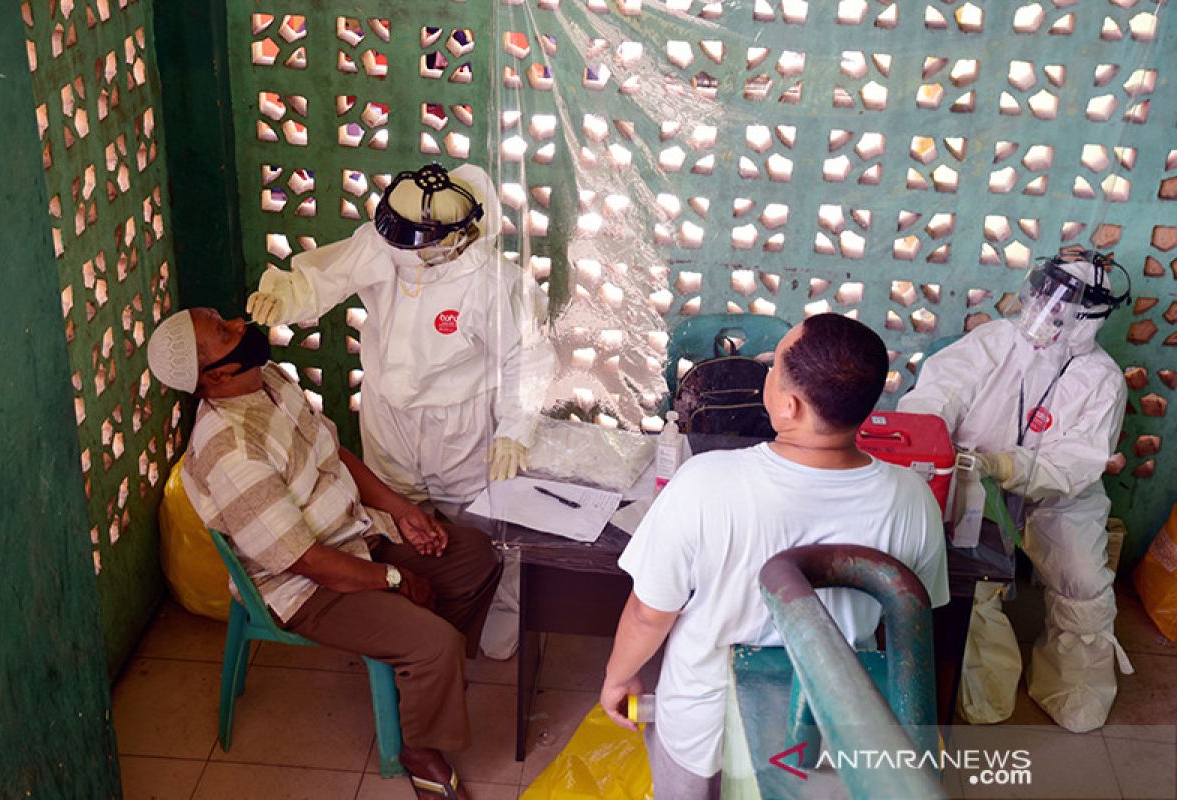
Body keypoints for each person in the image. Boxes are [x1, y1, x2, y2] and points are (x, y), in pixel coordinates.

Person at [147, 307, 502, 800]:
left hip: (355, 532)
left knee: (478, 556)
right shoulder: (230, 450)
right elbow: (305, 561)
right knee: (434, 643)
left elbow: (334, 455)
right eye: (225, 332)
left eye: (224, 319)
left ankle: (423, 685)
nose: (239, 324)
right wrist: (395, 581)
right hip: (307, 587)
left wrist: (401, 511)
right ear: (216, 375)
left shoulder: (265, 378)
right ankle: (419, 750)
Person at [600, 313, 949, 798]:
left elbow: (648, 613)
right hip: (830, 727)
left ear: (788, 406)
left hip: (704, 729)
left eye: (772, 368)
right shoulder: (912, 498)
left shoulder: (705, 482)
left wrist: (617, 679)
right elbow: (911, 623)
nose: (765, 374)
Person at [898, 248, 1132, 733]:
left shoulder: (1102, 380)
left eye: (1058, 304)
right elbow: (936, 394)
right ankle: (983, 695)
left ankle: (1074, 693)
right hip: (973, 477)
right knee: (971, 579)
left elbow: (1076, 464)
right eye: (1041, 294)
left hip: (1059, 496)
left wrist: (1008, 464)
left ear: (1087, 321)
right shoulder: (996, 341)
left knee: (1083, 584)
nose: (1041, 310)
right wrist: (936, 440)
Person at [245, 161, 556, 506]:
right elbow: (328, 277)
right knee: (395, 509)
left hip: (458, 423)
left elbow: (527, 357)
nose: (400, 249)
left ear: (454, 236)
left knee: (468, 512)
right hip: (386, 411)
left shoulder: (492, 283)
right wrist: (283, 296)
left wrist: (514, 431)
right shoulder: (387, 245)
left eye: (413, 240)